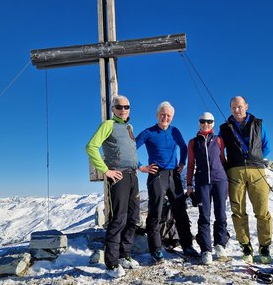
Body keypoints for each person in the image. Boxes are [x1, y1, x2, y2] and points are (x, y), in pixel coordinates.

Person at [136, 101, 200, 263]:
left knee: (180, 212)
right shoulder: (149, 132)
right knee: (155, 211)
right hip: (156, 175)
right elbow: (131, 148)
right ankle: (156, 249)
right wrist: (141, 167)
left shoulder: (174, 131)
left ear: (172, 117)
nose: (165, 118)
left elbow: (184, 148)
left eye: (168, 115)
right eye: (163, 114)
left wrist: (182, 163)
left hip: (174, 175)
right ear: (157, 115)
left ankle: (187, 246)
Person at [86, 95, 140, 278]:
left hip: (133, 175)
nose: (123, 110)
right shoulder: (108, 125)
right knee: (119, 219)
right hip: (118, 176)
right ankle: (111, 264)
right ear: (113, 109)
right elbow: (91, 147)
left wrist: (139, 166)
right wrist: (105, 170)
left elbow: (129, 152)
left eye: (126, 106)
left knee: (133, 217)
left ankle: (125, 255)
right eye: (119, 107)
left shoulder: (129, 127)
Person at [219, 96, 272, 264]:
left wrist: (254, 158)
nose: (236, 110)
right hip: (235, 171)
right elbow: (220, 150)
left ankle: (264, 248)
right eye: (233, 107)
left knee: (262, 211)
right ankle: (246, 247)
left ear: (246, 106)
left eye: (239, 106)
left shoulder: (258, 124)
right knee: (238, 210)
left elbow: (266, 147)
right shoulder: (224, 128)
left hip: (257, 170)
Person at [186, 112, 229, 265]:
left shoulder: (218, 140)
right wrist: (189, 184)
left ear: (213, 123)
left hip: (220, 181)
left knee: (221, 214)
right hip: (202, 182)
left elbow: (223, 160)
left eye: (209, 122)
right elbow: (190, 164)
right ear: (199, 123)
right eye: (203, 121)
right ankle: (206, 250)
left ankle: (220, 245)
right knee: (204, 216)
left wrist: (228, 181)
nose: (206, 124)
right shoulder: (193, 142)